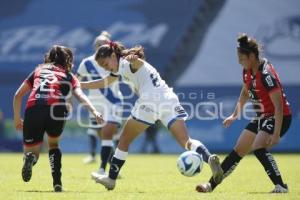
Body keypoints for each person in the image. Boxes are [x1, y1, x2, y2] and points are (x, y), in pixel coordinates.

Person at [80, 41, 223, 190]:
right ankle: (209, 158)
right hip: (169, 99)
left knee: (124, 140)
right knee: (185, 141)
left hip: (150, 102)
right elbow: (105, 82)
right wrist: (81, 85)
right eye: (102, 66)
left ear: (113, 55)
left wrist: (134, 59)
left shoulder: (126, 63)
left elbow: (136, 64)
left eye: (105, 63)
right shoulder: (119, 68)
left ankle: (111, 179)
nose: (105, 67)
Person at [196, 33, 292, 193]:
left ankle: (281, 186)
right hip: (262, 117)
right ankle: (210, 185)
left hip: (278, 116)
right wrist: (234, 115)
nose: (240, 62)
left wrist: (276, 134)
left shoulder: (266, 74)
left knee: (258, 147)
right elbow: (245, 93)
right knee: (238, 150)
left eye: (242, 58)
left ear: (252, 56)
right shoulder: (247, 71)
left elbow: (279, 106)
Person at [13, 45, 103, 192]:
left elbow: (17, 95)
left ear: (49, 58)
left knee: (32, 152)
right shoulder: (69, 76)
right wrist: (94, 111)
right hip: (56, 110)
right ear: (67, 60)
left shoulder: (38, 71)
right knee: (53, 144)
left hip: (33, 108)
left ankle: (31, 158)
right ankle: (57, 183)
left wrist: (17, 119)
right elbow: (80, 95)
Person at [76, 31, 123, 178]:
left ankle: (103, 169)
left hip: (114, 102)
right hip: (95, 105)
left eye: (104, 43)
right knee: (102, 136)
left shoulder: (116, 60)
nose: (101, 46)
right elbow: (76, 81)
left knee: (108, 134)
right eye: (99, 44)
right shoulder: (87, 63)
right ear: (95, 46)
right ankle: (111, 167)